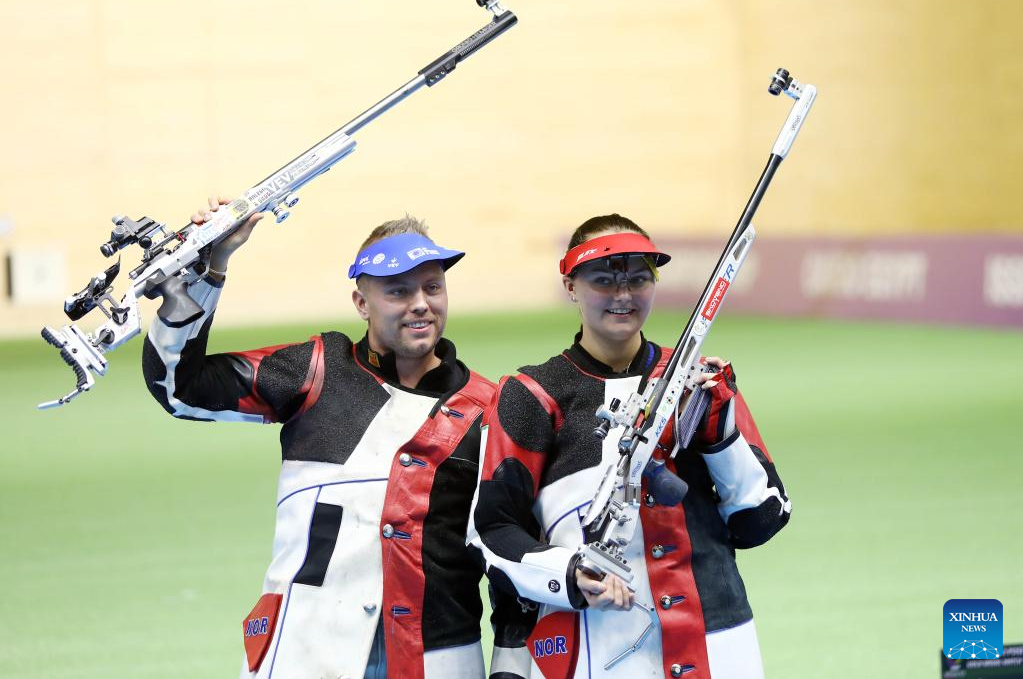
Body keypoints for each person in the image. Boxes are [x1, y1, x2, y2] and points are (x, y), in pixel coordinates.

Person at [143, 198, 496, 679]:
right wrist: (209, 273)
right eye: (397, 291)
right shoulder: (315, 368)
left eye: (432, 287)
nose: (420, 304)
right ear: (361, 303)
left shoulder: (488, 407)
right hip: (305, 648)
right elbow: (180, 388)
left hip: (438, 655)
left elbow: (507, 544)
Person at [469, 214, 791, 679]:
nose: (623, 296)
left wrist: (720, 437)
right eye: (603, 279)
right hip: (594, 646)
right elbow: (491, 532)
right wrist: (572, 571)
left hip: (718, 640)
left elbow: (761, 520)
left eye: (639, 278)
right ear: (570, 286)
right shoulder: (532, 394)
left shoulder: (699, 382)